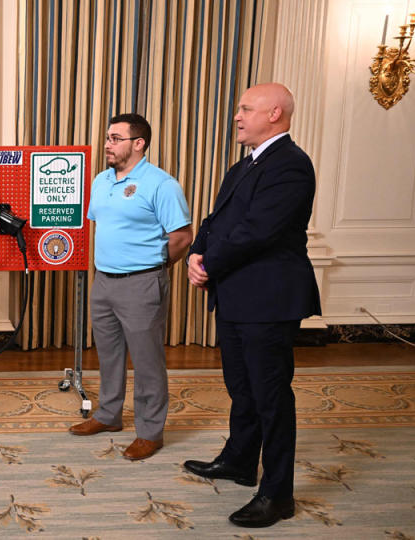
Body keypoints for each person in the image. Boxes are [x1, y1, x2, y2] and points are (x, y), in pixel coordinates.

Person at [184, 83, 321, 528]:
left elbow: (258, 232)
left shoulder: (292, 166)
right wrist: (196, 255)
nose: (237, 116)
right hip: (237, 296)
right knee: (242, 388)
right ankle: (240, 461)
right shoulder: (245, 164)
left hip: (268, 299)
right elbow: (216, 220)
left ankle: (278, 494)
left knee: (271, 398)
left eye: (246, 108)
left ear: (275, 113)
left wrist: (210, 264)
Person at [69, 113, 192, 462]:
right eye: (107, 137)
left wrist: (154, 265)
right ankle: (108, 415)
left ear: (138, 143)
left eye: (116, 138)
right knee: (108, 355)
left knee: (147, 361)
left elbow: (182, 237)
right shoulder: (100, 181)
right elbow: (104, 226)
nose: (107, 144)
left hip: (141, 284)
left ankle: (150, 432)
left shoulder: (161, 184)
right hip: (103, 281)